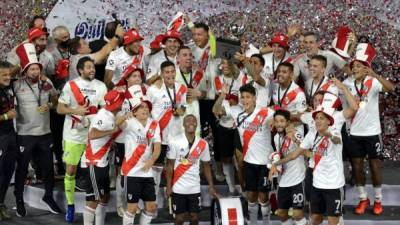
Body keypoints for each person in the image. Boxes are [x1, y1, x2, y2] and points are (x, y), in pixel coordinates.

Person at [343, 43, 395, 215]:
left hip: (372, 133)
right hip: (354, 133)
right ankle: (363, 198)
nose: (355, 68)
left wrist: (375, 75)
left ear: (366, 68)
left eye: (359, 65)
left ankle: (378, 200)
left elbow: (391, 88)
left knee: (375, 167)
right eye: (354, 66)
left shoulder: (373, 82)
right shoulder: (347, 84)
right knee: (356, 167)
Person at [214, 84, 275, 225]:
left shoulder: (266, 112)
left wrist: (273, 124)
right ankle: (252, 222)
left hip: (265, 163)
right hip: (249, 162)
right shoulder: (235, 111)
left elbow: (274, 122)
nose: (245, 100)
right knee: (251, 195)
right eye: (243, 97)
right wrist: (222, 95)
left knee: (263, 196)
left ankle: (266, 222)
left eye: (248, 97)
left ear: (254, 98)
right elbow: (216, 110)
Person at [13, 43, 61, 217]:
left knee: (48, 168)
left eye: (37, 68)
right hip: (25, 134)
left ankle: (48, 197)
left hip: (45, 133)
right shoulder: (17, 85)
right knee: (23, 168)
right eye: (32, 69)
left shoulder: (46, 83)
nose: (35, 72)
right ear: (25, 70)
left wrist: (49, 104)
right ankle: (18, 198)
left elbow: (56, 100)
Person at [57, 56, 107, 223]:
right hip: (73, 135)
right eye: (88, 67)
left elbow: (104, 110)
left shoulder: (101, 86)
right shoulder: (71, 85)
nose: (92, 69)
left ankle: (95, 208)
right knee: (71, 170)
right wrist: (76, 110)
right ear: (80, 70)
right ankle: (70, 205)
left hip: (93, 136)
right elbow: (59, 108)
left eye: (93, 67)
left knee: (93, 173)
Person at [147, 60, 187, 212]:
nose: (170, 74)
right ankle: (153, 202)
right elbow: (147, 110)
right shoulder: (153, 90)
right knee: (156, 170)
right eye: (167, 72)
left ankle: (176, 202)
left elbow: (183, 106)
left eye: (172, 71)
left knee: (176, 168)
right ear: (162, 74)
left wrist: (180, 111)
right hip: (159, 137)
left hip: (176, 137)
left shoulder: (181, 88)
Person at [81, 90, 126, 225]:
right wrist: (113, 130)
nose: (123, 103)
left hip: (102, 161)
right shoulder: (104, 116)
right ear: (116, 103)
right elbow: (92, 134)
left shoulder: (111, 114)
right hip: (93, 162)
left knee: (104, 197)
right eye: (120, 101)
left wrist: (109, 141)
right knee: (93, 200)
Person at [166, 114, 219, 225]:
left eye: (193, 121)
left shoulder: (203, 144)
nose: (191, 123)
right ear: (183, 124)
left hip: (194, 188)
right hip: (178, 188)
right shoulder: (174, 141)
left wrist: (211, 186)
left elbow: (206, 166)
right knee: (179, 219)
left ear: (197, 124)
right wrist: (169, 186)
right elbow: (169, 166)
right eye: (188, 121)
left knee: (194, 218)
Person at [119, 97, 161, 225]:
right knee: (131, 208)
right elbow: (117, 123)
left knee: (151, 207)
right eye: (141, 107)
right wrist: (125, 116)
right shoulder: (130, 122)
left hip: (146, 172)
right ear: (135, 112)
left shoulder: (154, 124)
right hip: (131, 172)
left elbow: (157, 146)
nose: (145, 109)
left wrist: (151, 160)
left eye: (147, 107)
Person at [113, 65, 147, 217]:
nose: (137, 79)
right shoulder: (119, 94)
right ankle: (120, 204)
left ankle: (134, 203)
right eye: (133, 76)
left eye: (139, 77)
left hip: (140, 139)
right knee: (122, 173)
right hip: (122, 139)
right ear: (126, 79)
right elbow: (112, 116)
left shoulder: (145, 94)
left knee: (138, 171)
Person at [212, 59, 245, 195]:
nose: (225, 66)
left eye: (228, 63)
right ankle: (231, 187)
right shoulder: (218, 80)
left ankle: (243, 188)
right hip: (224, 122)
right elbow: (222, 101)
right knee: (226, 157)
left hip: (240, 122)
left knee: (240, 158)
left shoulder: (241, 77)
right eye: (223, 64)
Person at [269, 109, 307, 225]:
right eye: (276, 121)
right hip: (283, 180)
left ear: (287, 122)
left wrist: (294, 139)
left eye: (282, 121)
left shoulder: (296, 133)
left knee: (297, 215)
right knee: (282, 214)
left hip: (297, 179)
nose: (279, 124)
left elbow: (306, 152)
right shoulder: (276, 138)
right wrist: (274, 165)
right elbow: (278, 155)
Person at [175, 46, 207, 137]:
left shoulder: (199, 74)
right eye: (185, 55)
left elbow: (205, 93)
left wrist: (200, 94)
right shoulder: (172, 74)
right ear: (177, 58)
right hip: (178, 119)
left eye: (190, 55)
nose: (188, 57)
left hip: (195, 118)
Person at [0, 61, 18, 221]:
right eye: (4, 75)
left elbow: (17, 68)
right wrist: (6, 116)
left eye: (9, 74)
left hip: (10, 135)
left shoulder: (9, 86)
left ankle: (1, 203)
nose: (8, 77)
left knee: (8, 171)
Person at [271, 62, 307, 134]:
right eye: (279, 71)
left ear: (291, 75)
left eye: (284, 72)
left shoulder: (299, 94)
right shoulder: (274, 86)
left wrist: (283, 117)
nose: (280, 74)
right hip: (278, 128)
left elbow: (302, 117)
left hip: (293, 129)